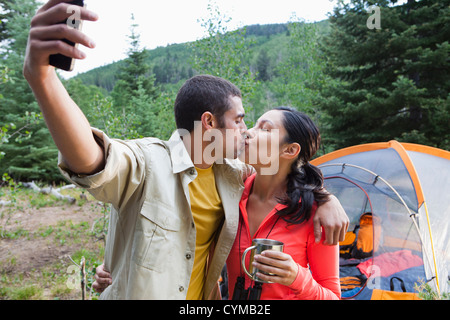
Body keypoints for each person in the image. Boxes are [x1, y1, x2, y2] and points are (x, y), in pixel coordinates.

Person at [23, 0, 349, 299]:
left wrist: (325, 198)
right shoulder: (148, 162)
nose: (246, 132)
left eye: (258, 127)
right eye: (240, 121)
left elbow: (288, 176)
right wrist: (42, 77)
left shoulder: (235, 176)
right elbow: (92, 159)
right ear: (209, 123)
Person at [227, 107, 340, 300]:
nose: (248, 132)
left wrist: (297, 278)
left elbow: (333, 296)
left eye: (265, 129)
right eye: (254, 125)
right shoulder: (231, 193)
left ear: (290, 150)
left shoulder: (314, 213)